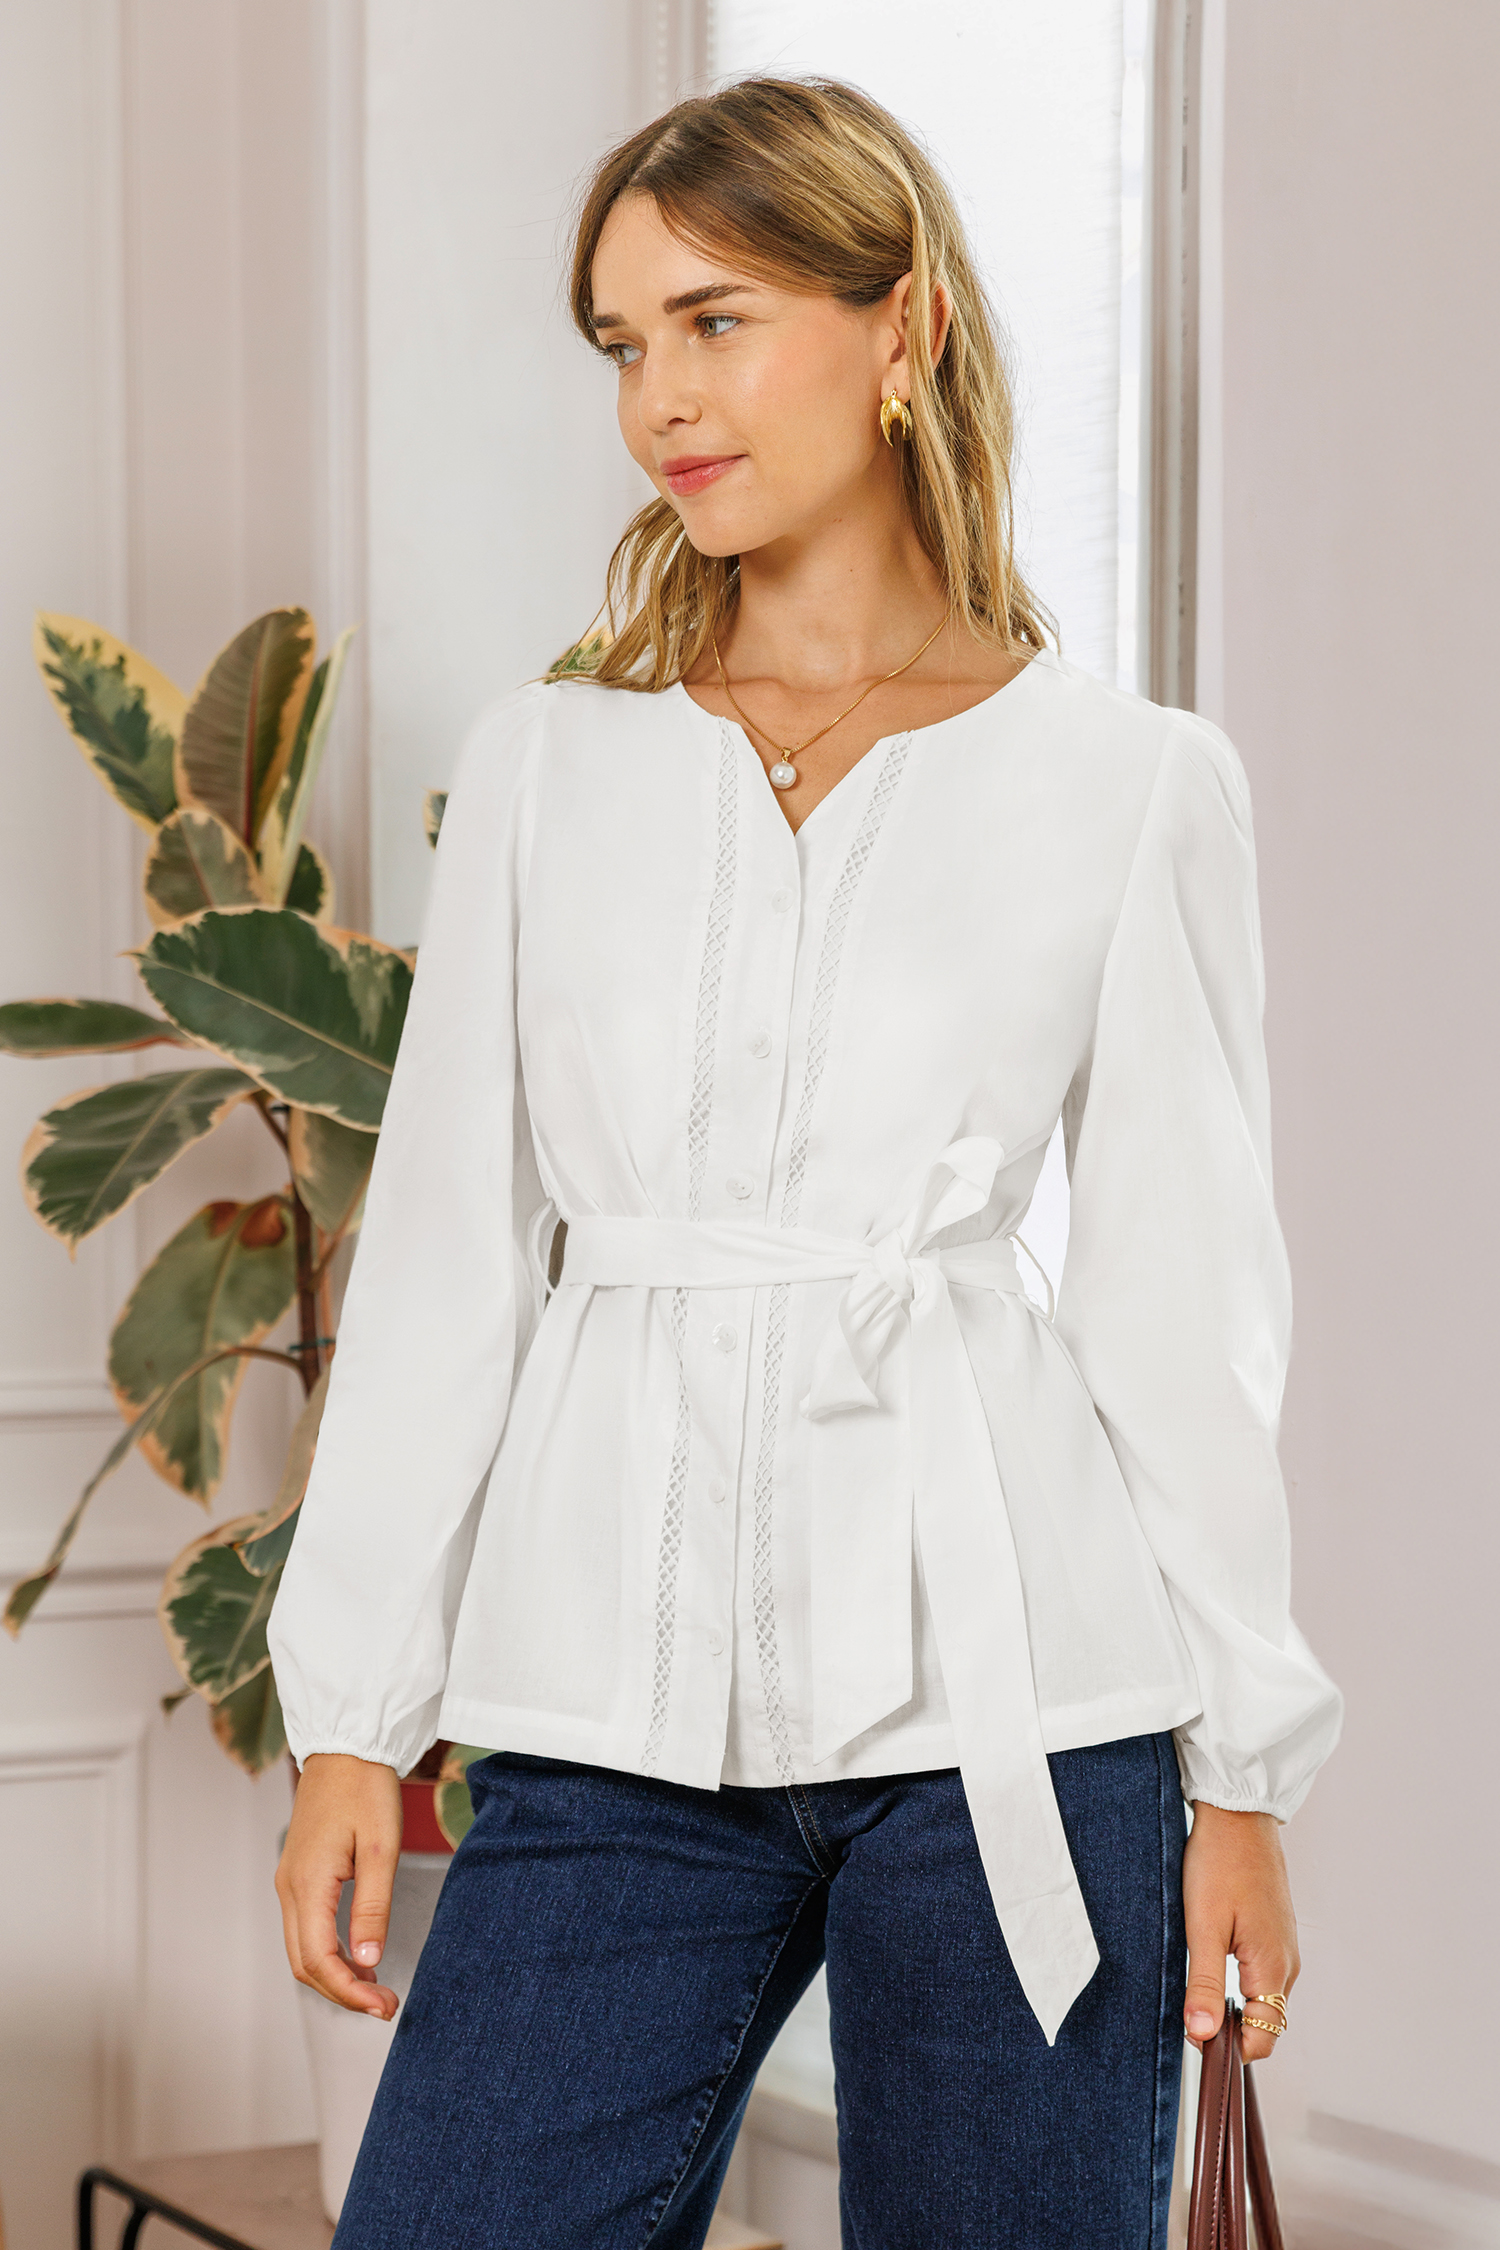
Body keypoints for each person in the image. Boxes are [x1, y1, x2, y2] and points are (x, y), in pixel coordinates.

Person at [269, 77, 1341, 2250]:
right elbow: (450, 1266)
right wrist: (353, 1717)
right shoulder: (555, 770)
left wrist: (1239, 1775)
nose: (659, 398)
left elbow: (1179, 1303)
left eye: (717, 320)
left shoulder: (1128, 782)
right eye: (622, 343)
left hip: (1022, 1727)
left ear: (902, 325)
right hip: (609, 1718)